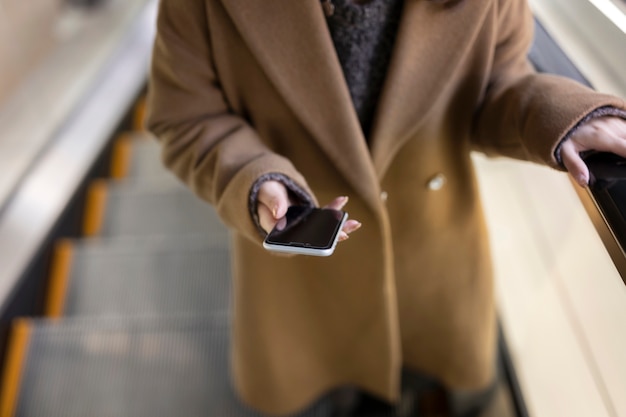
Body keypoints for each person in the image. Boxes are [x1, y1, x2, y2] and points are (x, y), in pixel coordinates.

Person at [146, 0, 626, 415]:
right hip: (298, 285)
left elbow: (495, 83)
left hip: (427, 261)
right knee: (314, 394)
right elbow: (187, 115)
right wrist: (252, 175)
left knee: (418, 384)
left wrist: (562, 114)